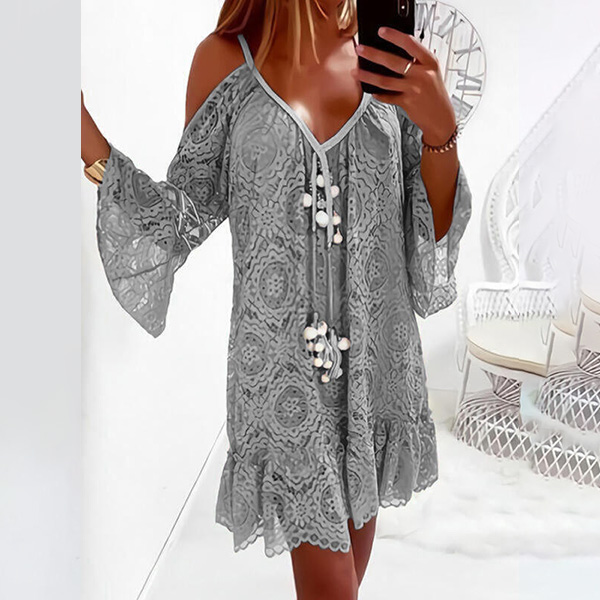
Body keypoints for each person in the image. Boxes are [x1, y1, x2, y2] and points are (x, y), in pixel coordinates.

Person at [81, 1, 472, 598]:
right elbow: (178, 221)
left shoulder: (388, 59)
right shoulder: (224, 63)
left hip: (377, 370)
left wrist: (441, 133)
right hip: (279, 382)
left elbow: (430, 231)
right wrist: (81, 132)